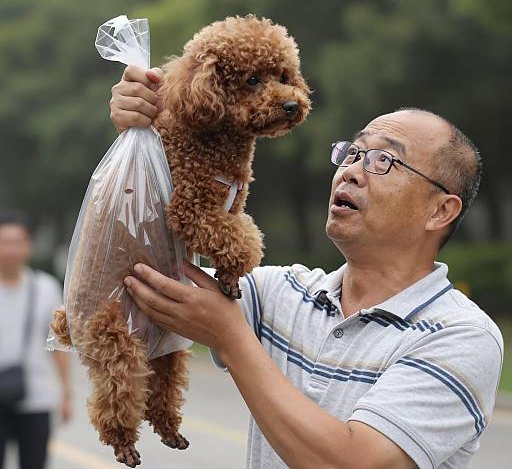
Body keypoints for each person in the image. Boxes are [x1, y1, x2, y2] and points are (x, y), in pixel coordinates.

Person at [109, 65, 503, 469]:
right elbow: (134, 278)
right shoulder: (281, 293)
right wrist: (146, 139)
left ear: (441, 211)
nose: (350, 171)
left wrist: (232, 339)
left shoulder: (462, 336)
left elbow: (353, 463)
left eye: (383, 160)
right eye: (353, 153)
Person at [0, 212, 72, 469]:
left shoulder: (46, 288)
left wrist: (66, 393)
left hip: (36, 399)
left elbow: (60, 345)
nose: (9, 250)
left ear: (27, 245)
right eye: (3, 242)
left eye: (16, 242)